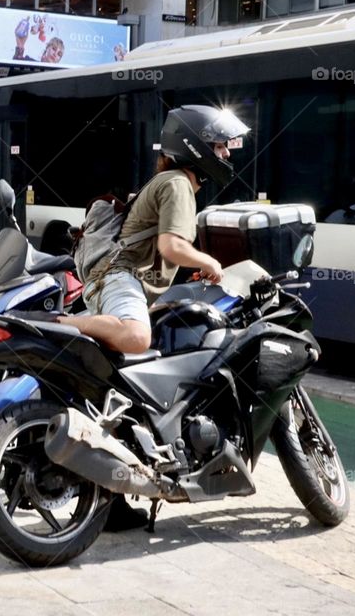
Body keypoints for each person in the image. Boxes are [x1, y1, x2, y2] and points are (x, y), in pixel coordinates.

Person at [55, 105, 250, 529]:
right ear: (196, 147)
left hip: (116, 281)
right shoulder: (179, 182)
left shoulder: (170, 181)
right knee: (137, 337)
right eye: (219, 146)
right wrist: (210, 261)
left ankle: (115, 497)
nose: (226, 155)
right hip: (119, 279)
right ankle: (57, 325)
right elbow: (170, 247)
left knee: (123, 394)